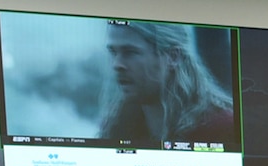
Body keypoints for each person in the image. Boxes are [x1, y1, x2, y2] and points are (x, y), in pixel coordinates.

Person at [99, 22, 237, 148]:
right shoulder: (117, 128)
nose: (117, 64)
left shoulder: (220, 128)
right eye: (113, 52)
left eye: (130, 52)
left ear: (173, 57)